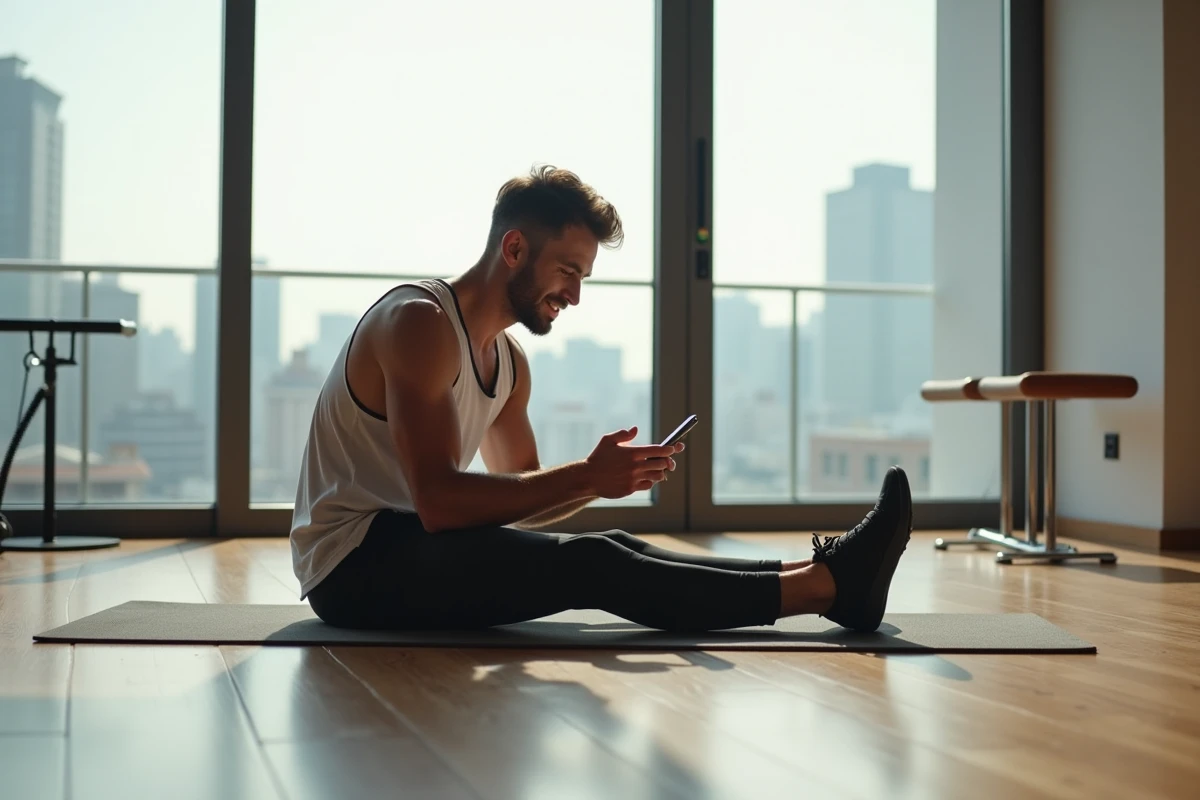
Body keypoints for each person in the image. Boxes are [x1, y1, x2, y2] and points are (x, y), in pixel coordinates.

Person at [290, 164, 913, 634]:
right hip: (350, 566)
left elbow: (519, 497)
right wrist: (585, 474)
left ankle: (817, 576)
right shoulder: (420, 324)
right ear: (514, 250)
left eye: (583, 277)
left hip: (413, 544)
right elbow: (441, 503)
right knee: (591, 563)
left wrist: (600, 483)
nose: (576, 296)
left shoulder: (509, 365)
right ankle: (829, 590)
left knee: (612, 544)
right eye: (568, 272)